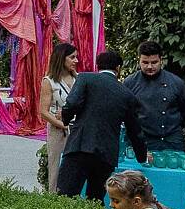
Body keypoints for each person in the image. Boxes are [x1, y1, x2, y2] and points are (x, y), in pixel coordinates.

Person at [55, 48, 148, 201]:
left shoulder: (85, 78)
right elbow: (135, 131)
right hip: (106, 153)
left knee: (65, 196)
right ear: (118, 68)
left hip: (79, 146)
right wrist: (142, 157)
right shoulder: (127, 94)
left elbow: (71, 103)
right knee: (95, 200)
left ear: (98, 66)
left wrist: (65, 118)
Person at [123, 41, 185, 152]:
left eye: (154, 62)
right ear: (139, 61)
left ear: (161, 60)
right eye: (145, 62)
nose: (150, 67)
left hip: (172, 140)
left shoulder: (176, 82)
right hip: (141, 140)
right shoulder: (129, 83)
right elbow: (125, 112)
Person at [40, 41, 80, 188]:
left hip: (78, 129)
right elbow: (43, 111)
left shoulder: (79, 79)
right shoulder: (49, 81)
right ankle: (53, 199)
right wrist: (62, 124)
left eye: (76, 57)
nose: (76, 61)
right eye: (72, 57)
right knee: (56, 168)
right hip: (58, 131)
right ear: (62, 58)